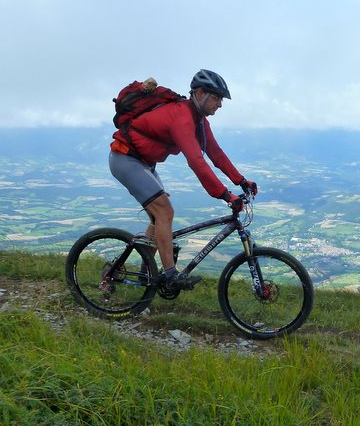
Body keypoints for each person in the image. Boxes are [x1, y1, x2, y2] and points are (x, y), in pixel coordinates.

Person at [108, 69, 257, 292]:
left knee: (160, 216)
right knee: (164, 212)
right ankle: (170, 275)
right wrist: (226, 195)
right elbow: (197, 161)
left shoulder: (199, 121)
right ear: (199, 93)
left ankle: (145, 271)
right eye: (216, 98)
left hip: (143, 163)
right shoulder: (182, 118)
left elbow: (215, 153)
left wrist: (242, 181)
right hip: (125, 159)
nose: (220, 105)